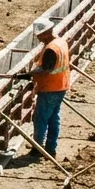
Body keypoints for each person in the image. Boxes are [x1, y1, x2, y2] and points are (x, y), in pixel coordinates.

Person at [18, 17, 70, 158]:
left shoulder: (51, 49)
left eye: (40, 35)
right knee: (53, 118)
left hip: (50, 88)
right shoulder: (61, 42)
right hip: (61, 85)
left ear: (47, 32)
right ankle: (51, 148)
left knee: (40, 118)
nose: (39, 38)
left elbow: (45, 69)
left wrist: (28, 74)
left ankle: (37, 149)